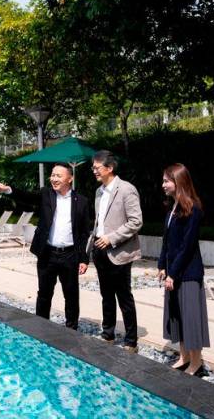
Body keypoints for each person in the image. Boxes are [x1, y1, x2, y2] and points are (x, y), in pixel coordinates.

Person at [0, 163, 90, 330]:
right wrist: (8, 190)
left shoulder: (81, 201)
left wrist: (84, 258)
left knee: (71, 295)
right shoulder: (46, 194)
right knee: (44, 294)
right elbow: (27, 196)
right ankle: (41, 327)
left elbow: (83, 233)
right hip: (48, 253)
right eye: (52, 175)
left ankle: (72, 330)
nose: (54, 178)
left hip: (70, 255)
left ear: (70, 178)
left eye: (58, 176)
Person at [158, 163, 210, 376]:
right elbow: (167, 241)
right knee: (177, 315)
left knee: (190, 318)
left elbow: (187, 246)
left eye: (166, 181)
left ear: (178, 182)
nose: (163, 185)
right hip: (173, 271)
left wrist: (173, 273)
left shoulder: (193, 208)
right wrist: (162, 265)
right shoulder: (172, 207)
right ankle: (183, 356)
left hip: (188, 274)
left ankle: (196, 363)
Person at [90, 150, 143, 352]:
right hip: (100, 251)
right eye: (93, 167)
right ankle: (108, 334)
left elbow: (136, 221)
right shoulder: (99, 192)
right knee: (106, 295)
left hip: (119, 252)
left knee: (124, 296)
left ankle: (131, 341)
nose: (93, 171)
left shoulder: (126, 190)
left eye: (97, 167)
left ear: (109, 168)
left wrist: (111, 238)